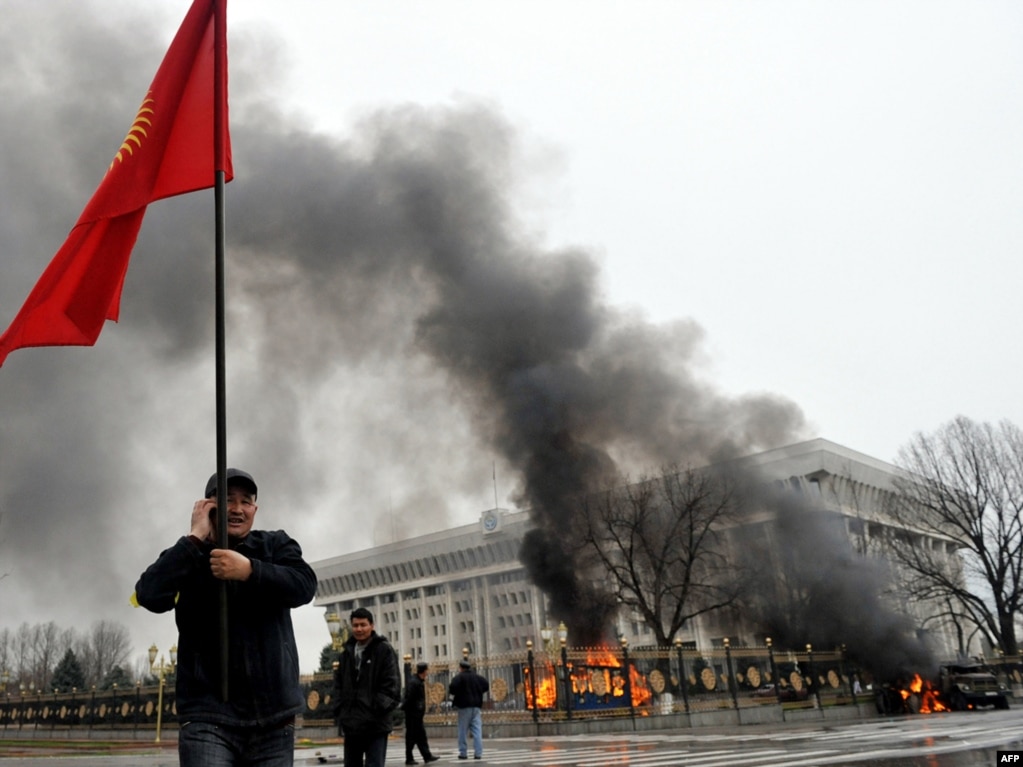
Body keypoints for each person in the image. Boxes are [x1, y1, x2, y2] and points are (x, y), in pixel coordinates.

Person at [134, 468, 316, 767]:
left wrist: (250, 571)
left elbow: (304, 586)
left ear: (255, 509)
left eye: (246, 501)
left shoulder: (275, 546)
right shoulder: (189, 554)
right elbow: (149, 594)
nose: (237, 509)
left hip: (272, 716)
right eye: (228, 499)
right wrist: (194, 538)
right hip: (208, 715)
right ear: (208, 506)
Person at [333, 607, 401, 767]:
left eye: (363, 625)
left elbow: (392, 687)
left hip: (375, 725)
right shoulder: (346, 653)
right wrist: (340, 710)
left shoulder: (383, 650)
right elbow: (338, 686)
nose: (359, 629)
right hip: (352, 725)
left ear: (372, 626)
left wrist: (374, 710)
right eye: (355, 625)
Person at [448, 659, 489, 760]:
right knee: (477, 730)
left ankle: (463, 753)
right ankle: (478, 753)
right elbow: (486, 686)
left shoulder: (459, 677)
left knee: (462, 730)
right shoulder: (478, 677)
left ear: (461, 668)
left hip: (464, 707)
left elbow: (452, 688)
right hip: (476, 707)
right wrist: (478, 692)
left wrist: (459, 693)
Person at [400, 661, 439, 765]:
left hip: (416, 715)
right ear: (424, 671)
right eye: (427, 670)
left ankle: (427, 756)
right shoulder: (414, 682)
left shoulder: (418, 681)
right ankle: (410, 758)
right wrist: (404, 708)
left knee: (420, 736)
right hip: (413, 715)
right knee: (412, 737)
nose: (428, 672)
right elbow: (409, 698)